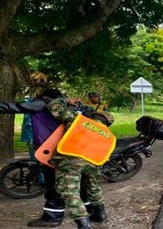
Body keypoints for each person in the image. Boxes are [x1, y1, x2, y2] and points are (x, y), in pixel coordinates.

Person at [0, 85, 68, 227]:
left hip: (54, 152)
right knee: (87, 182)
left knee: (54, 185)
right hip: (74, 151)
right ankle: (96, 212)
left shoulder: (42, 104)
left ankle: (53, 218)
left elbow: (8, 107)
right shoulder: (70, 106)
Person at [46, 96, 114, 229]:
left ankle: (84, 224)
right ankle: (100, 215)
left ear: (94, 115)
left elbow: (54, 107)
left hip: (71, 161)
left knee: (70, 192)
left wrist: (65, 100)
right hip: (93, 164)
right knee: (93, 187)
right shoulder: (109, 136)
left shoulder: (79, 120)